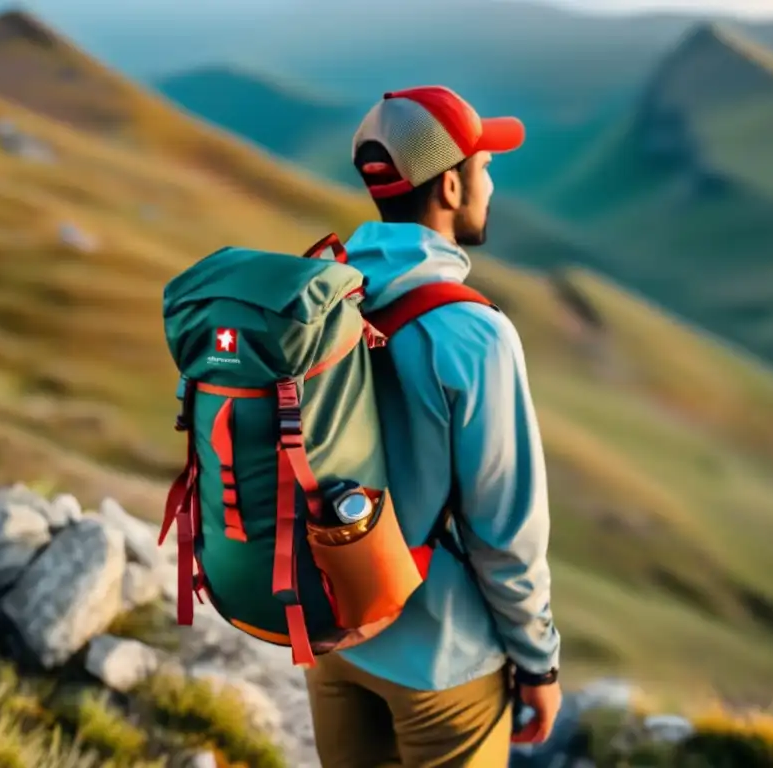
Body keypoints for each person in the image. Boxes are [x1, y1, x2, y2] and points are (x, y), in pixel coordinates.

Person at [304, 85, 562, 768]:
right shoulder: (474, 335)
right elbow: (506, 532)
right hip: (443, 663)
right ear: (450, 185)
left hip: (335, 632)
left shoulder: (319, 294)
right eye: (484, 165)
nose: (490, 180)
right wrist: (538, 664)